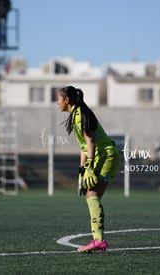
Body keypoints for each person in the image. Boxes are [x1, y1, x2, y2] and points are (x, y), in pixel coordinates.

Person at [57, 86, 120, 253]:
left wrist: (90, 166)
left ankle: (98, 241)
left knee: (92, 195)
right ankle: (98, 240)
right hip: (100, 156)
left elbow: (91, 141)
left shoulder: (80, 115)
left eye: (59, 98)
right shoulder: (76, 115)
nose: (57, 102)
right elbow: (84, 147)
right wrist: (81, 172)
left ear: (67, 100)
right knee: (91, 196)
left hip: (107, 156)